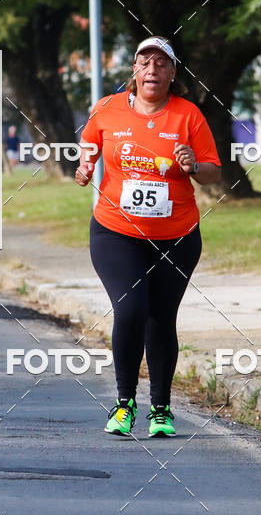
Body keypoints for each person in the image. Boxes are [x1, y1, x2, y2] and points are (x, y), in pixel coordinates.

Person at [76, 37, 221, 437]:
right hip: (115, 232)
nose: (153, 69)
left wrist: (194, 166)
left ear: (173, 74)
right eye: (145, 61)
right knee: (131, 310)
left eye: (162, 63)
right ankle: (124, 404)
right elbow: (89, 143)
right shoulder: (107, 108)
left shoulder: (188, 115)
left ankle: (161, 409)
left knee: (161, 318)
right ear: (135, 71)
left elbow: (214, 171)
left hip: (176, 236)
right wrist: (85, 165)